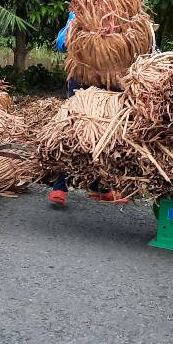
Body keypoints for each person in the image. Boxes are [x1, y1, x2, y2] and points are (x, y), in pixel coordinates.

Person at [46, 11, 128, 207]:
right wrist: (86, 31)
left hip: (110, 81)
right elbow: (60, 44)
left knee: (105, 131)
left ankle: (100, 187)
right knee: (74, 128)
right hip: (81, 80)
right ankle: (59, 186)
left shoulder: (126, 17)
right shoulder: (79, 14)